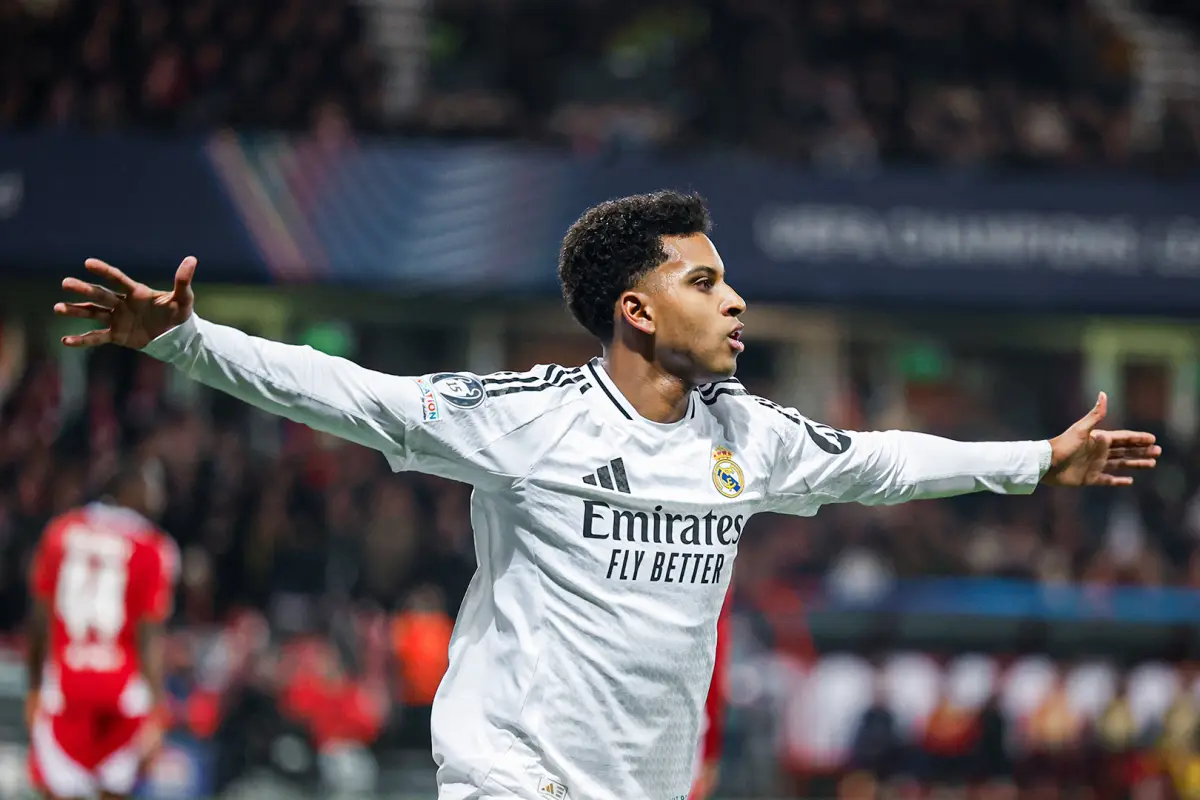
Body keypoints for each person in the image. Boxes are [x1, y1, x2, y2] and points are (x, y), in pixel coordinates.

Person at [54, 190, 1158, 800]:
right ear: (635, 310)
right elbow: (355, 395)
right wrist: (189, 340)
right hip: (510, 780)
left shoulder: (748, 436)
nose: (737, 302)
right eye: (705, 280)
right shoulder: (527, 416)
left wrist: (1031, 459)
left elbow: (875, 461)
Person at [25, 459, 178, 799]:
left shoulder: (59, 531)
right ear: (129, 489)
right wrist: (157, 709)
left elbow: (39, 619)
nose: (161, 497)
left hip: (65, 685)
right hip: (121, 691)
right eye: (154, 485)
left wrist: (33, 687)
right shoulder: (154, 546)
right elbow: (149, 636)